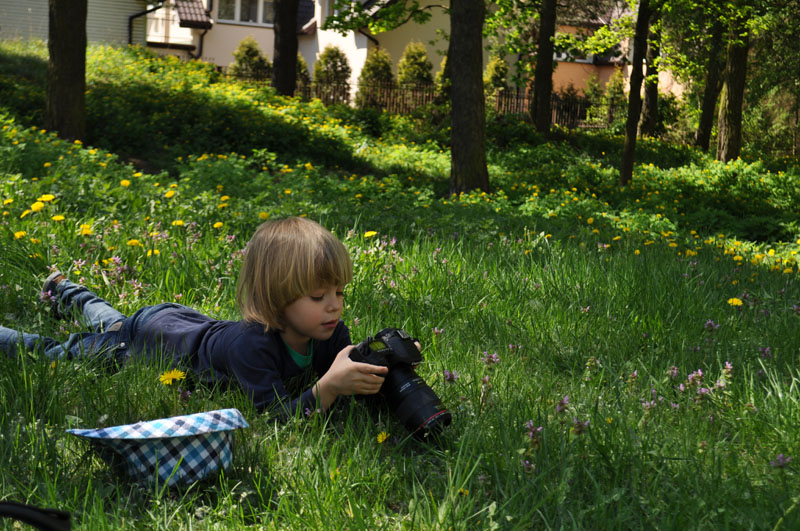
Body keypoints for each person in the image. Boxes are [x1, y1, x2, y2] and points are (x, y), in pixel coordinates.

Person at [0, 217, 389, 418]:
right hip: (153, 341)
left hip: (179, 323)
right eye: (318, 296)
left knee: (115, 324)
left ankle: (65, 289)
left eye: (340, 293)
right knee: (66, 352)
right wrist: (328, 389)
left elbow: (350, 367)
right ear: (276, 298)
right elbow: (276, 416)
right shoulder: (254, 346)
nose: (334, 306)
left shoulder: (330, 332)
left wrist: (387, 361)